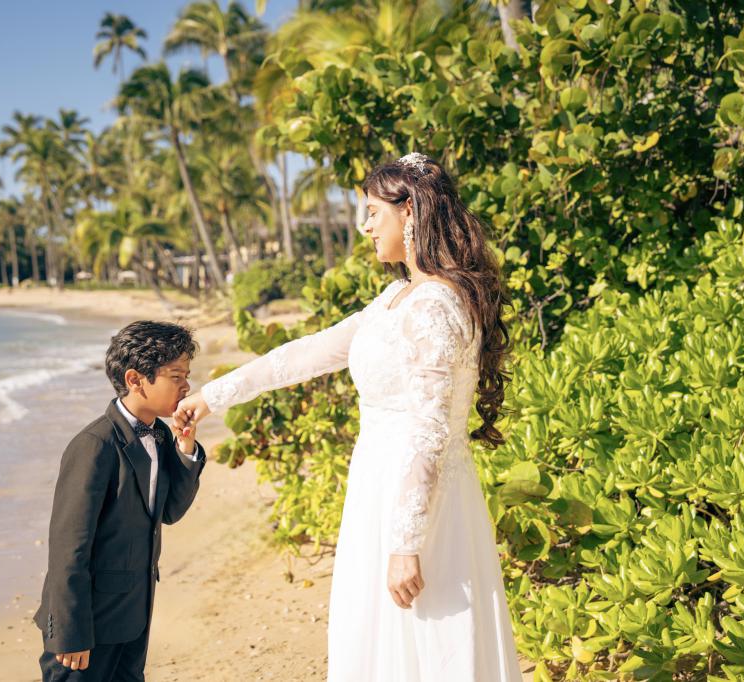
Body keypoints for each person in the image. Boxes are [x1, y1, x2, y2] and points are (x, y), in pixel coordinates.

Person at [175, 153, 524, 680]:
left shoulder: (433, 307)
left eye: (371, 213)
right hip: (378, 490)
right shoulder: (396, 298)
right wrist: (213, 395)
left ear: (410, 214)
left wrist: (406, 544)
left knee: (427, 643)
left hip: (421, 505)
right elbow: (305, 353)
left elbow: (428, 432)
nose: (363, 227)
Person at [34, 321, 206, 681]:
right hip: (86, 628)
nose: (186, 386)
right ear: (135, 379)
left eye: (186, 375)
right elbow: (68, 548)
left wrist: (186, 447)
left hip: (134, 615)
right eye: (175, 375)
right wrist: (70, 633)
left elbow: (170, 511)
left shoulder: (161, 436)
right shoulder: (94, 445)